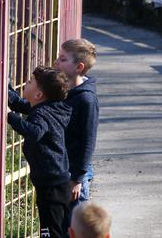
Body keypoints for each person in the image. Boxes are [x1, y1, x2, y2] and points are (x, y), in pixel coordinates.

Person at [10, 38, 99, 209]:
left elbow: (88, 141)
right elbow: (30, 107)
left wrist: (77, 178)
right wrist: (5, 90)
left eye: (63, 59)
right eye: (58, 57)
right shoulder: (62, 92)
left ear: (79, 67)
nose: (56, 62)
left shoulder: (86, 99)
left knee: (75, 225)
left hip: (74, 175)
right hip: (61, 170)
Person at [7, 66, 72, 238]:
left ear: (38, 95)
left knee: (51, 231)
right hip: (57, 180)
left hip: (51, 184)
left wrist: (10, 116)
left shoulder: (41, 114)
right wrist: (5, 86)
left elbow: (35, 132)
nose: (26, 84)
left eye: (29, 82)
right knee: (58, 228)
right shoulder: (51, 107)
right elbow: (21, 105)